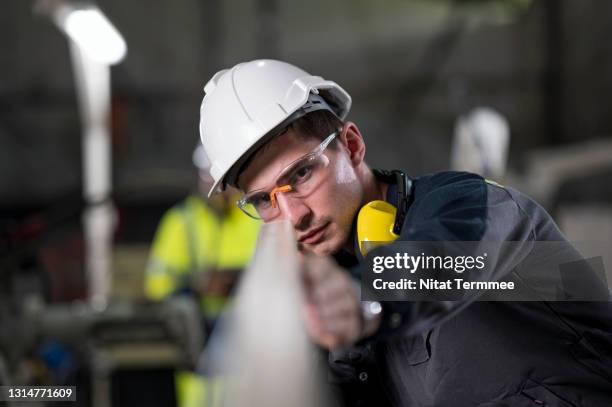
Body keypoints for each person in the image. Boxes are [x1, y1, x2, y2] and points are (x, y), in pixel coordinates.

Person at [198, 60, 612, 406]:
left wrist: (365, 304)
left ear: (353, 145)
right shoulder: (335, 285)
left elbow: (448, 259)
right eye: (265, 201)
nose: (293, 216)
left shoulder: (467, 203)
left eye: (302, 173)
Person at [145, 144, 260, 407]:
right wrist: (196, 287)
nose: (216, 191)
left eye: (222, 181)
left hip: (251, 357)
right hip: (199, 362)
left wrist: (236, 281)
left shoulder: (257, 214)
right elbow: (157, 286)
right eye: (209, 180)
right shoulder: (180, 223)